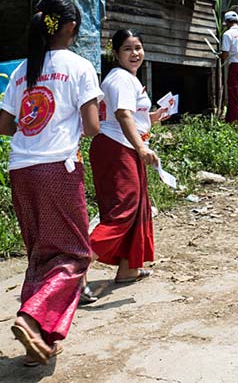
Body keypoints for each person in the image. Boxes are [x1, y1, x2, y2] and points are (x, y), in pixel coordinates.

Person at [0, 0, 103, 366]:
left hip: (20, 169)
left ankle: (39, 338)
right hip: (57, 167)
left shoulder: (23, 70)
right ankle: (32, 317)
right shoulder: (79, 67)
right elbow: (91, 129)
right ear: (71, 27)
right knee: (75, 254)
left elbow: (4, 126)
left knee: (41, 252)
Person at [89, 30, 168, 287]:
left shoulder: (126, 79)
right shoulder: (121, 78)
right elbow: (123, 115)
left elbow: (128, 115)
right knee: (124, 210)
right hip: (118, 148)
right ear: (115, 54)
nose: (135, 54)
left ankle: (129, 268)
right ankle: (77, 267)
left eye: (138, 48)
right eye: (127, 49)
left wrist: (151, 118)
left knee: (138, 208)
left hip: (122, 146)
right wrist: (142, 148)